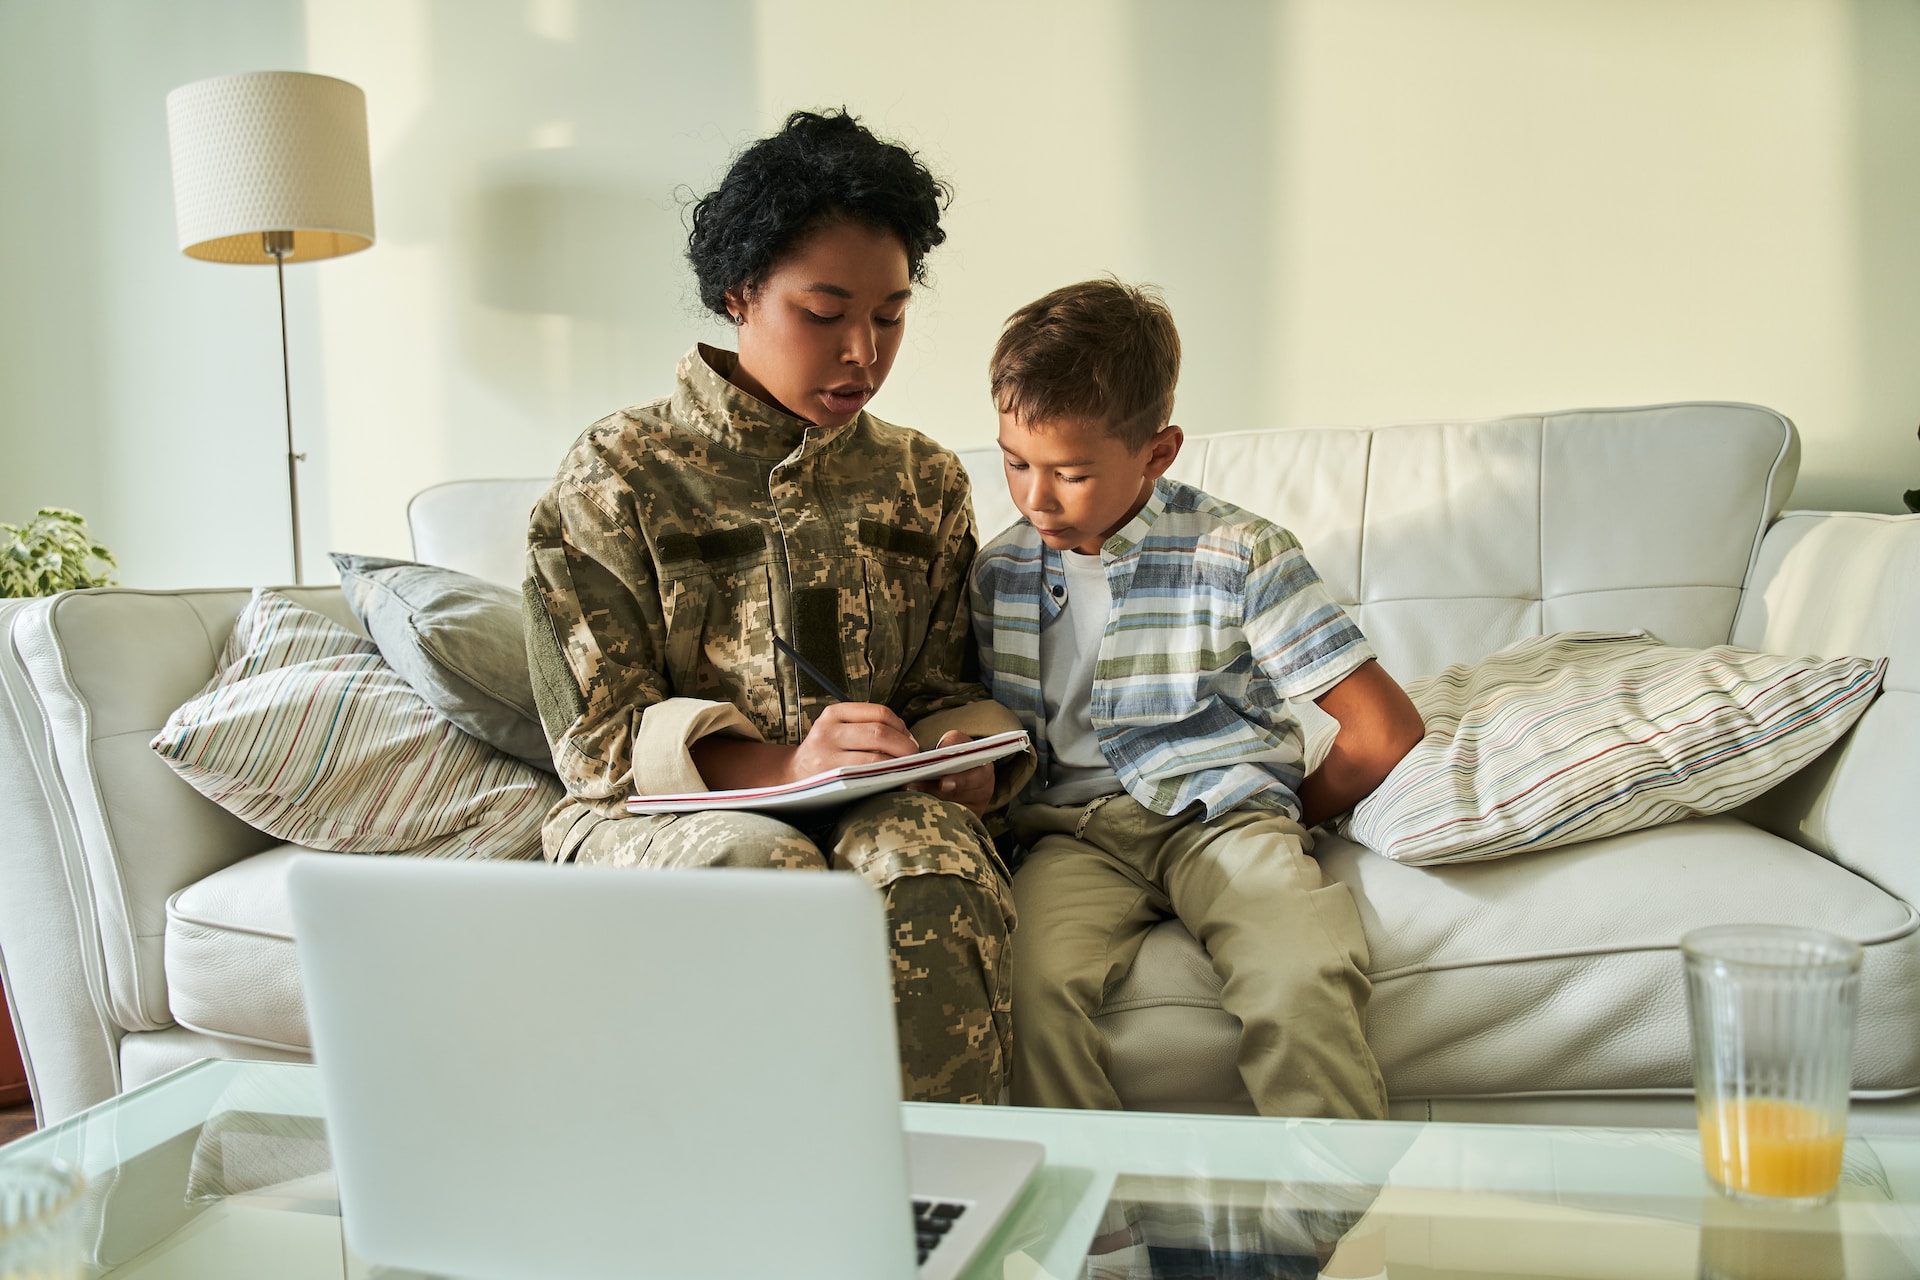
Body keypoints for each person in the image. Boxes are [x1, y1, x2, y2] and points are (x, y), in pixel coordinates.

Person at [522, 111, 1032, 1106]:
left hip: (875, 802)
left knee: (932, 870)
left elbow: (942, 685)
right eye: (825, 310)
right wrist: (786, 768)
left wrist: (967, 757)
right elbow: (595, 743)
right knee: (756, 869)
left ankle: (945, 1222)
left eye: (888, 314)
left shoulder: (921, 478)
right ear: (739, 292)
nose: (863, 351)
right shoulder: (616, 471)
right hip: (661, 815)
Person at [970, 279, 1426, 1118]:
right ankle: (1095, 1238)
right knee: (1022, 994)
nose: (1035, 498)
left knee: (1299, 977)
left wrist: (1282, 811)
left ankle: (1326, 1233)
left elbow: (1383, 727)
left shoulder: (1240, 551)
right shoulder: (997, 571)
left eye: (1069, 473)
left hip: (1221, 816)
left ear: (1159, 451)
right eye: (1013, 462)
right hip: (1072, 836)